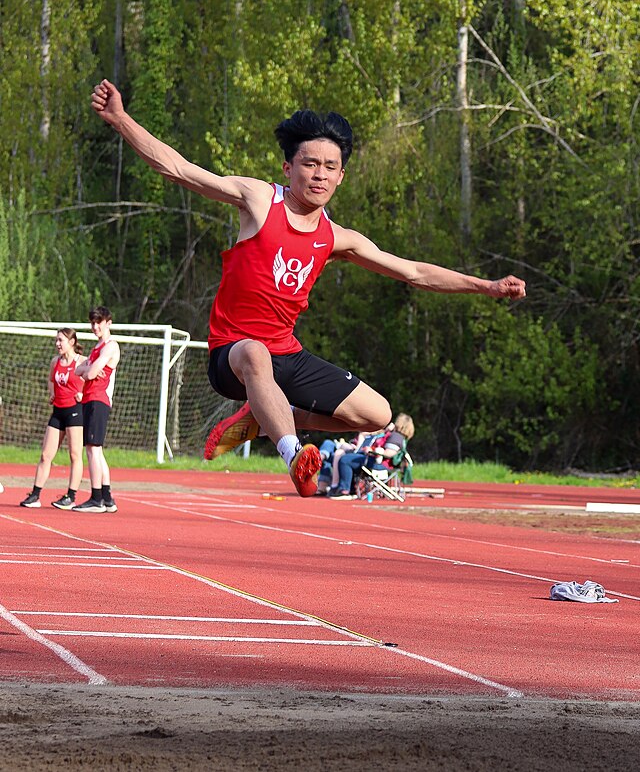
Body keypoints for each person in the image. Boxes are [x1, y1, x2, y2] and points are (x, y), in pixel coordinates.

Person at [91, 79, 526, 498]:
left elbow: (413, 272)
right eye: (309, 164)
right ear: (288, 167)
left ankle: (264, 418)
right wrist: (120, 119)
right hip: (233, 354)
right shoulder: (260, 200)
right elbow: (179, 169)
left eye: (330, 167)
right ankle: (293, 455)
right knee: (256, 352)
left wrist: (485, 285)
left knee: (377, 415)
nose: (319, 174)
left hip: (286, 355)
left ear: (341, 178)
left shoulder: (338, 238)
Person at [20, 329, 86, 509]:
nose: (57, 344)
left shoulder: (81, 361)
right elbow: (51, 380)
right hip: (58, 411)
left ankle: (71, 496)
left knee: (74, 454)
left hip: (75, 411)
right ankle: (35, 495)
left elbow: (94, 379)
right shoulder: (55, 361)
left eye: (60, 341)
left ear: (71, 342)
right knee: (45, 455)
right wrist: (52, 393)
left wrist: (83, 394)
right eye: (56, 340)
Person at [72, 307, 120, 514]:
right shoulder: (96, 347)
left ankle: (96, 497)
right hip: (90, 399)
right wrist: (88, 370)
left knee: (92, 449)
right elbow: (78, 370)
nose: (95, 326)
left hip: (99, 399)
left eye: (99, 322)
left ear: (108, 323)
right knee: (96, 450)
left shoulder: (111, 346)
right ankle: (107, 498)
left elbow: (89, 372)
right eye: (92, 323)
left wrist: (89, 370)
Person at [331, 415, 414, 498]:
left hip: (379, 464)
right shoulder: (399, 437)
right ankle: (350, 489)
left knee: (345, 460)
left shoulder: (396, 437)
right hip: (378, 461)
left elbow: (389, 453)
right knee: (351, 457)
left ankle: (344, 490)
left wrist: (372, 451)